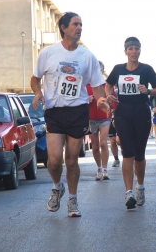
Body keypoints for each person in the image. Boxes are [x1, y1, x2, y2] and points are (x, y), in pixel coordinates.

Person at [31, 12, 108, 217]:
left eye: (81, 24)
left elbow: (98, 86)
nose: (79, 28)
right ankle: (57, 187)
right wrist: (38, 92)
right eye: (75, 24)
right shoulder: (48, 54)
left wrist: (101, 101)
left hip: (77, 111)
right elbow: (35, 78)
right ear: (64, 28)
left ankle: (73, 201)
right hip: (54, 111)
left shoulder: (87, 56)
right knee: (55, 160)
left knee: (72, 160)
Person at [104, 37, 156, 210]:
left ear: (140, 51)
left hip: (141, 112)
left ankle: (141, 187)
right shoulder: (118, 69)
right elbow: (108, 85)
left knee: (139, 154)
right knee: (127, 152)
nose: (134, 52)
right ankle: (128, 192)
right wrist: (109, 95)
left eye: (136, 48)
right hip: (123, 113)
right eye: (130, 49)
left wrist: (149, 90)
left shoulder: (146, 69)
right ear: (125, 51)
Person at [86, 60, 113, 180]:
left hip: (104, 118)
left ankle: (105, 170)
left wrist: (107, 102)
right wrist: (87, 99)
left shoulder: (107, 85)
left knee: (103, 143)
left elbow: (113, 100)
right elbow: (80, 100)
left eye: (99, 69)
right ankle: (99, 168)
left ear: (102, 71)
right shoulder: (86, 85)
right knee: (95, 146)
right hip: (91, 118)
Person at [108, 85, 121, 167]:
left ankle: (128, 157)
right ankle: (116, 159)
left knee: (119, 140)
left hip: (121, 118)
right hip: (110, 118)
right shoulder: (109, 92)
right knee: (112, 140)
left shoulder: (119, 92)